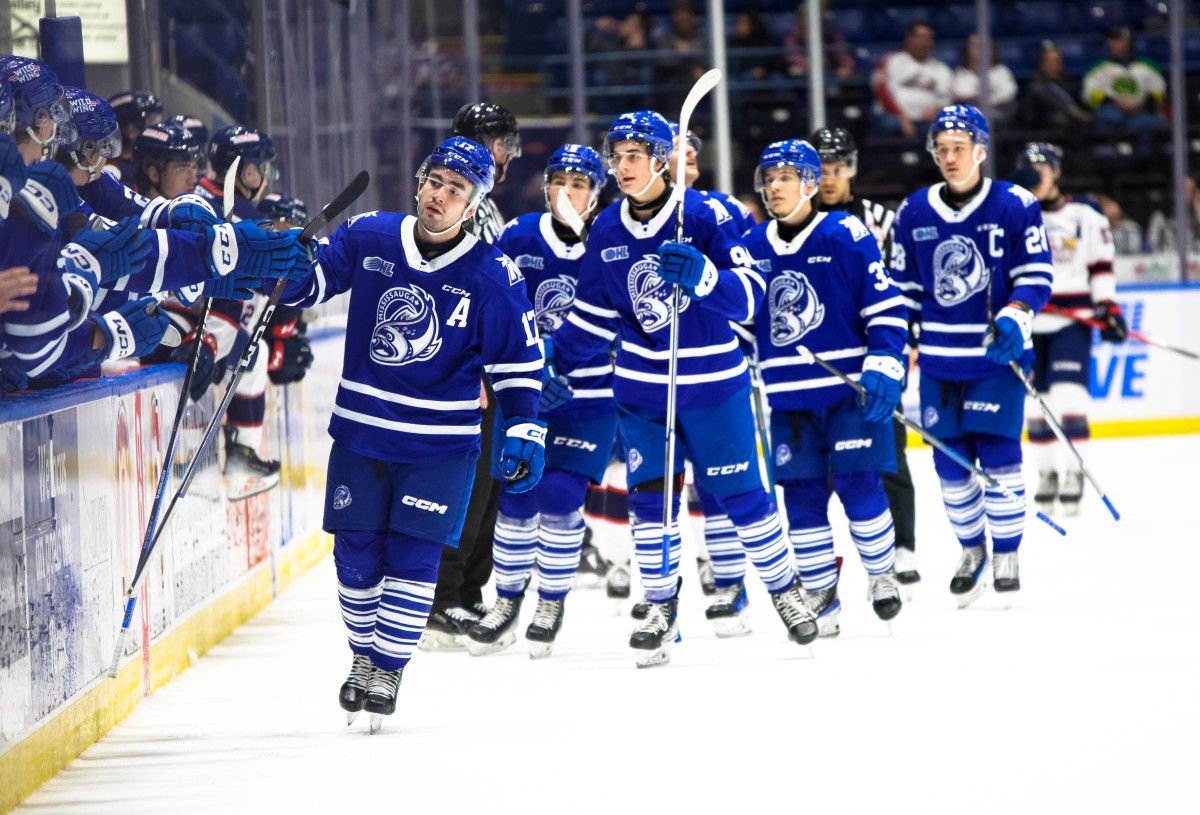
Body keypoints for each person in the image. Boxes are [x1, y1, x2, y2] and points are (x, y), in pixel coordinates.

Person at [274, 135, 547, 728]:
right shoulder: (370, 235)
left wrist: (525, 425)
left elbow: (520, 366)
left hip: (441, 448)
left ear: (472, 205)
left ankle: (388, 667)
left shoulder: (492, 274)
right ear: (420, 181)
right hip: (362, 437)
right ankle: (362, 656)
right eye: (435, 182)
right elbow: (308, 287)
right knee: (356, 560)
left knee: (413, 560)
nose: (440, 197)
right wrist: (287, 266)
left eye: (457, 190)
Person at [551, 110, 817, 667]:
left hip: (714, 389)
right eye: (615, 157)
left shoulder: (708, 214)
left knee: (744, 498)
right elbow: (595, 315)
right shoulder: (606, 228)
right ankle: (659, 606)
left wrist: (705, 278)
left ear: (659, 160)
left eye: (632, 157)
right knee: (651, 506)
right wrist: (556, 361)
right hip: (642, 393)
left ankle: (785, 590)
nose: (621, 167)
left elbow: (748, 298)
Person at [890, 105, 1054, 605]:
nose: (949, 157)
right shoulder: (913, 211)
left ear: (981, 150)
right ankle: (971, 548)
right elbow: (903, 291)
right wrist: (897, 346)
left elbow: (1036, 272)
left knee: (1000, 457)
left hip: (996, 357)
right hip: (940, 362)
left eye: (959, 148)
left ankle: (1006, 551)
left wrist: (1017, 315)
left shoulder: (1015, 203)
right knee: (951, 466)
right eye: (941, 149)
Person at [744, 138, 908, 634]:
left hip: (847, 393)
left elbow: (885, 307)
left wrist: (884, 362)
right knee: (802, 495)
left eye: (785, 178)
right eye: (769, 178)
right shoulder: (752, 246)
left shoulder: (844, 233)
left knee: (861, 486)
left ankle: (882, 574)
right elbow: (744, 323)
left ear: (811, 185)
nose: (773, 187)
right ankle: (821, 591)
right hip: (788, 398)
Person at [466, 144, 616, 658]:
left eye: (580, 184)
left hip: (591, 395)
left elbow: (624, 314)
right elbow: (498, 305)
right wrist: (534, 365)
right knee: (516, 497)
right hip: (527, 391)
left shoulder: (612, 239)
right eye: (560, 182)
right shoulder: (520, 235)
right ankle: (506, 602)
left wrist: (566, 364)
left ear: (598, 193)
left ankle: (550, 601)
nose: (568, 193)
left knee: (558, 495)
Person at [421, 101, 523, 648]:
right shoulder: (457, 203)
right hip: (468, 372)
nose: (508, 154)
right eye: (502, 141)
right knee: (465, 489)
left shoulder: (483, 205)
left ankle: (465, 593)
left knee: (487, 489)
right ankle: (441, 597)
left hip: (488, 367)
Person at [810, 125, 920, 585]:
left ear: (851, 169)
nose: (829, 179)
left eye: (837, 168)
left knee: (889, 450)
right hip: (820, 359)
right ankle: (828, 550)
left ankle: (904, 547)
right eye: (821, 170)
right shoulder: (797, 223)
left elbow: (903, 289)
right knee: (823, 462)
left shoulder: (882, 219)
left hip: (877, 353)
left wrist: (905, 341)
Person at [1018, 142, 1123, 516]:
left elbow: (1100, 264)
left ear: (1057, 172)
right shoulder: (1014, 213)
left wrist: (1107, 305)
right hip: (1027, 322)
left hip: (1071, 321)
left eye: (1042, 168)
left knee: (1069, 397)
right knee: (1035, 404)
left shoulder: (1085, 213)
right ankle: (1047, 474)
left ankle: (1075, 472)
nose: (1036, 176)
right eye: (1029, 169)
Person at [1082, 26, 1168, 155]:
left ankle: (1144, 164)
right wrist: (1114, 102)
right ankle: (1108, 163)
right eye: (1112, 40)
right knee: (1108, 117)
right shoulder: (1100, 67)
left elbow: (1159, 93)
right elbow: (1089, 95)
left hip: (1141, 113)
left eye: (1119, 40)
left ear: (1129, 42)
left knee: (1152, 124)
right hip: (1112, 112)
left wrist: (1142, 104)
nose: (1114, 44)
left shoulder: (1146, 65)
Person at [872, 22, 952, 140]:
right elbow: (882, 91)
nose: (925, 42)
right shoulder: (892, 61)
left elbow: (947, 97)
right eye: (921, 37)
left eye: (929, 38)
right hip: (895, 116)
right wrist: (902, 116)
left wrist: (937, 110)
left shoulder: (941, 68)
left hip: (927, 119)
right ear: (909, 39)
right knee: (889, 124)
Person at [1019, 43, 1092, 133]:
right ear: (1041, 64)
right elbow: (1028, 119)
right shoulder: (1033, 89)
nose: (1053, 66)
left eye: (1057, 62)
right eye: (1049, 62)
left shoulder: (1071, 86)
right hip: (1046, 135)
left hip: (1072, 134)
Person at [951, 34, 1017, 122]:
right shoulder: (960, 73)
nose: (980, 50)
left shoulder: (1002, 71)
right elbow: (959, 94)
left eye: (986, 46)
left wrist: (978, 98)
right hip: (969, 122)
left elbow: (1008, 94)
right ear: (967, 49)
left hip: (999, 121)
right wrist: (989, 94)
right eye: (975, 46)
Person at [106, 90, 163, 181]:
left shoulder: (159, 160)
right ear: (131, 129)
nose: (159, 129)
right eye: (152, 121)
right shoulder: (107, 169)